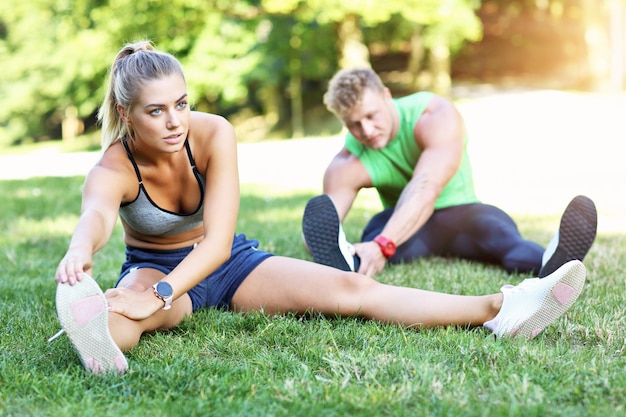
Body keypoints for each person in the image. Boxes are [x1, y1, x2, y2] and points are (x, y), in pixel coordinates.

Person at [52, 41, 588, 375]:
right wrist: (86, 253)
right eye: (156, 110)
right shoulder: (113, 166)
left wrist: (164, 294)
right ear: (126, 113)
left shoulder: (214, 134)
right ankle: (96, 341)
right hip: (158, 268)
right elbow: (96, 214)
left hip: (230, 263)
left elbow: (217, 242)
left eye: (182, 104)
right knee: (126, 313)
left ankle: (501, 309)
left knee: (355, 290)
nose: (174, 121)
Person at [302, 67, 597, 277]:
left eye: (371, 115)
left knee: (501, 237)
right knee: (372, 235)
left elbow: (425, 187)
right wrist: (328, 243)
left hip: (464, 215)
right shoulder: (348, 161)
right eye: (354, 124)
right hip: (406, 229)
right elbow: (324, 224)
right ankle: (348, 269)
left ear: (387, 96)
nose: (366, 130)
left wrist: (383, 244)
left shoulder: (434, 116)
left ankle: (552, 263)